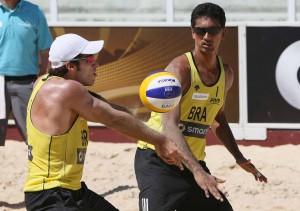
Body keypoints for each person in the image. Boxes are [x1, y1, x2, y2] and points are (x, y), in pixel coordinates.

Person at [23, 33, 186, 211]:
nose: (96, 63)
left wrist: (148, 129)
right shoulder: (67, 90)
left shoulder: (47, 82)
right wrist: (160, 140)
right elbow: (113, 119)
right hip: (51, 196)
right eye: (89, 59)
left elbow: (109, 109)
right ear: (70, 66)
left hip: (71, 191)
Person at [135, 3, 268, 211]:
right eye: (200, 30)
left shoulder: (226, 74)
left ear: (222, 34)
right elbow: (170, 125)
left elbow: (218, 119)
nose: (207, 36)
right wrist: (198, 171)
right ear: (192, 33)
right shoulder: (180, 70)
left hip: (191, 161)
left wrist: (239, 157)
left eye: (213, 30)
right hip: (159, 160)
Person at [0, 0, 52, 146]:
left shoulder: (34, 12)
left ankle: (38, 167)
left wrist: (41, 77)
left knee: (33, 135)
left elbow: (45, 49)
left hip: (26, 82)